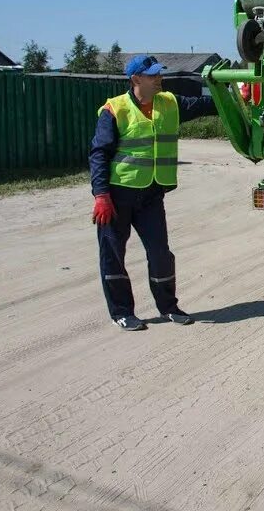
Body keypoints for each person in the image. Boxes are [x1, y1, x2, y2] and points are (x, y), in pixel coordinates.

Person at [89, 55, 218, 331]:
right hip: (118, 195)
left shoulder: (169, 103)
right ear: (136, 79)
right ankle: (122, 312)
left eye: (159, 74)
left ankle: (169, 307)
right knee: (113, 254)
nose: (159, 78)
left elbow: (207, 105)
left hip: (151, 195)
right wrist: (101, 194)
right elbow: (99, 154)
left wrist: (237, 95)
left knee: (160, 253)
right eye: (153, 75)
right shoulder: (115, 109)